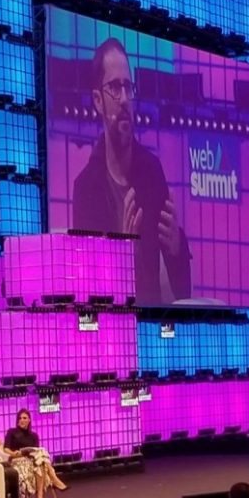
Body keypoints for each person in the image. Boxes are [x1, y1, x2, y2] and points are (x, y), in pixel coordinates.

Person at [72, 37, 192, 305]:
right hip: (112, 321)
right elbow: (88, 288)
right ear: (98, 100)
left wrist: (176, 249)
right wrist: (122, 254)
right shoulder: (86, 188)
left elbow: (182, 290)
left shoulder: (152, 171)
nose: (125, 99)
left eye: (128, 86)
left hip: (151, 319)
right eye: (115, 87)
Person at [3, 409, 68, 498]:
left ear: (29, 420)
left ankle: (41, 496)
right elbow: (6, 449)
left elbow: (36, 451)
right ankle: (52, 481)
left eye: (24, 418)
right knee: (41, 459)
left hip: (31, 460)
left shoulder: (34, 435)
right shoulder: (11, 432)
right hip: (17, 459)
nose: (22, 420)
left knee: (39, 460)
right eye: (20, 418)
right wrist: (13, 453)